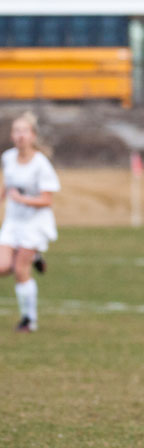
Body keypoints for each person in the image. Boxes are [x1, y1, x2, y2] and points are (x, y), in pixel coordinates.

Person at [0, 112, 60, 333]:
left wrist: (22, 199)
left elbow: (47, 200)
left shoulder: (41, 164)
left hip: (35, 223)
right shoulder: (7, 157)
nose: (19, 135)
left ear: (33, 135)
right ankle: (34, 255)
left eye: (24, 131)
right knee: (3, 266)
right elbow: (6, 186)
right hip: (13, 221)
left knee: (19, 269)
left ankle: (28, 319)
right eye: (16, 131)